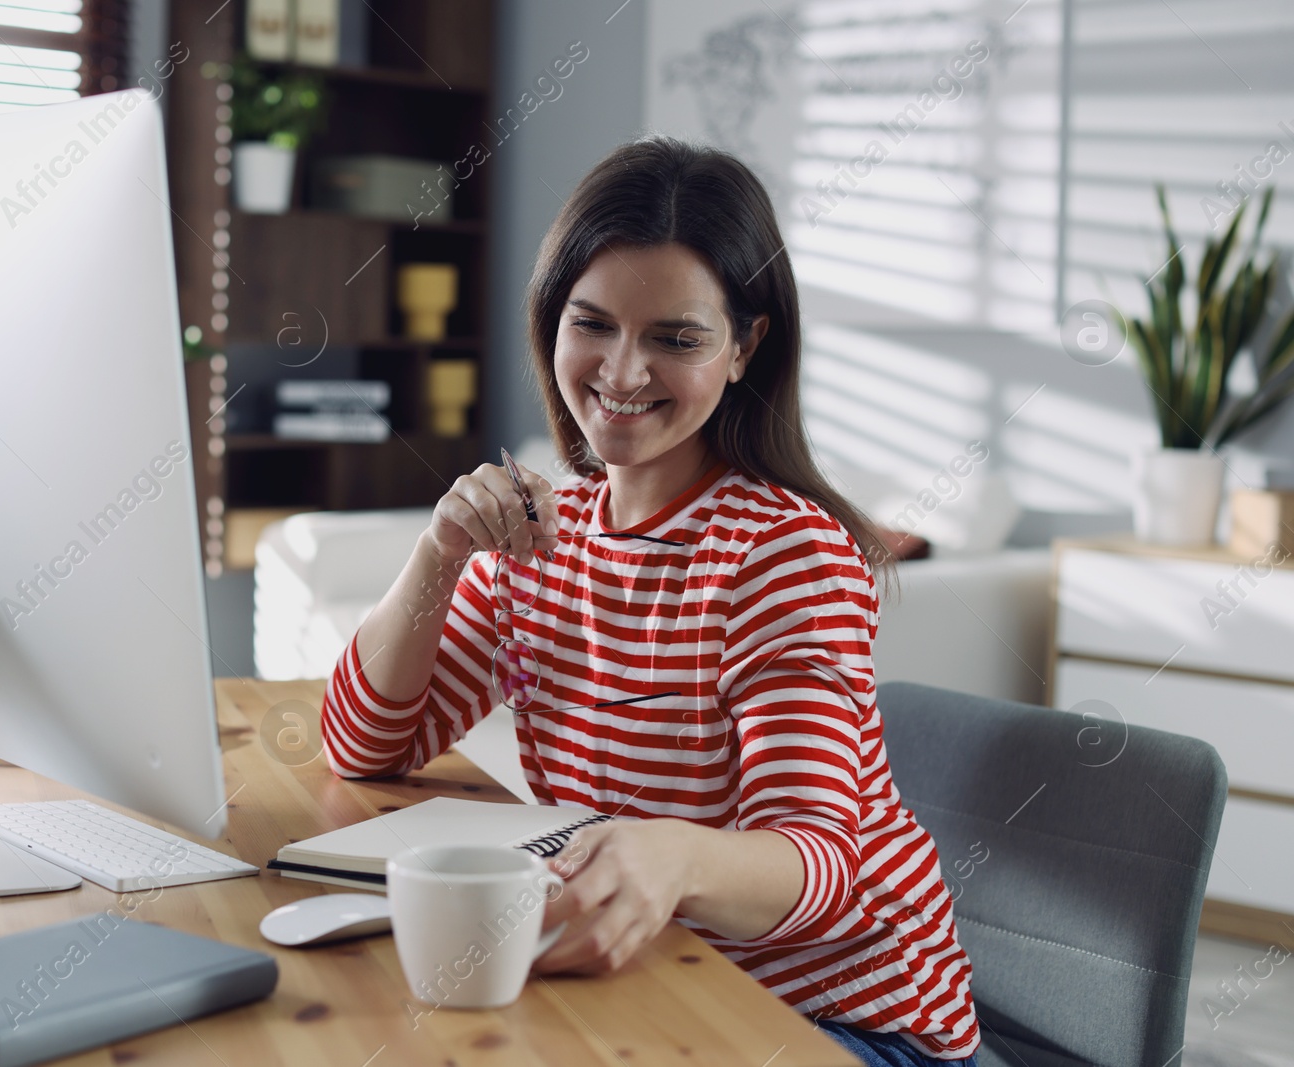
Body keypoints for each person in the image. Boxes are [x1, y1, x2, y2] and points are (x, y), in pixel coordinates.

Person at [319, 136, 980, 1065]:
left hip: (846, 1022)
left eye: (675, 337)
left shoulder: (784, 554)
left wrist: (673, 856)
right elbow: (364, 744)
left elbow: (820, 863)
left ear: (746, 346)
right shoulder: (545, 530)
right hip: (659, 978)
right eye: (591, 324)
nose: (622, 374)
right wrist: (438, 555)